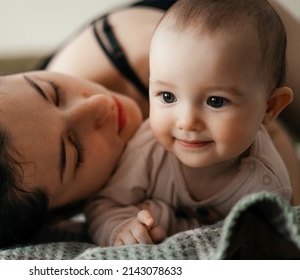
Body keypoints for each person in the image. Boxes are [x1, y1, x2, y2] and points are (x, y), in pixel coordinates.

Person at [0, 0, 299, 253]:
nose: (97, 105)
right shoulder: (48, 188)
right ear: (60, 217)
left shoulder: (171, 58)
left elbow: (266, 138)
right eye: (75, 151)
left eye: (51, 91)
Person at [85, 0, 294, 247]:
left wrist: (170, 220)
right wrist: (120, 227)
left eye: (216, 101)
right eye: (167, 96)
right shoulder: (146, 149)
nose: (186, 121)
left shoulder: (267, 186)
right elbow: (103, 206)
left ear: (269, 107)